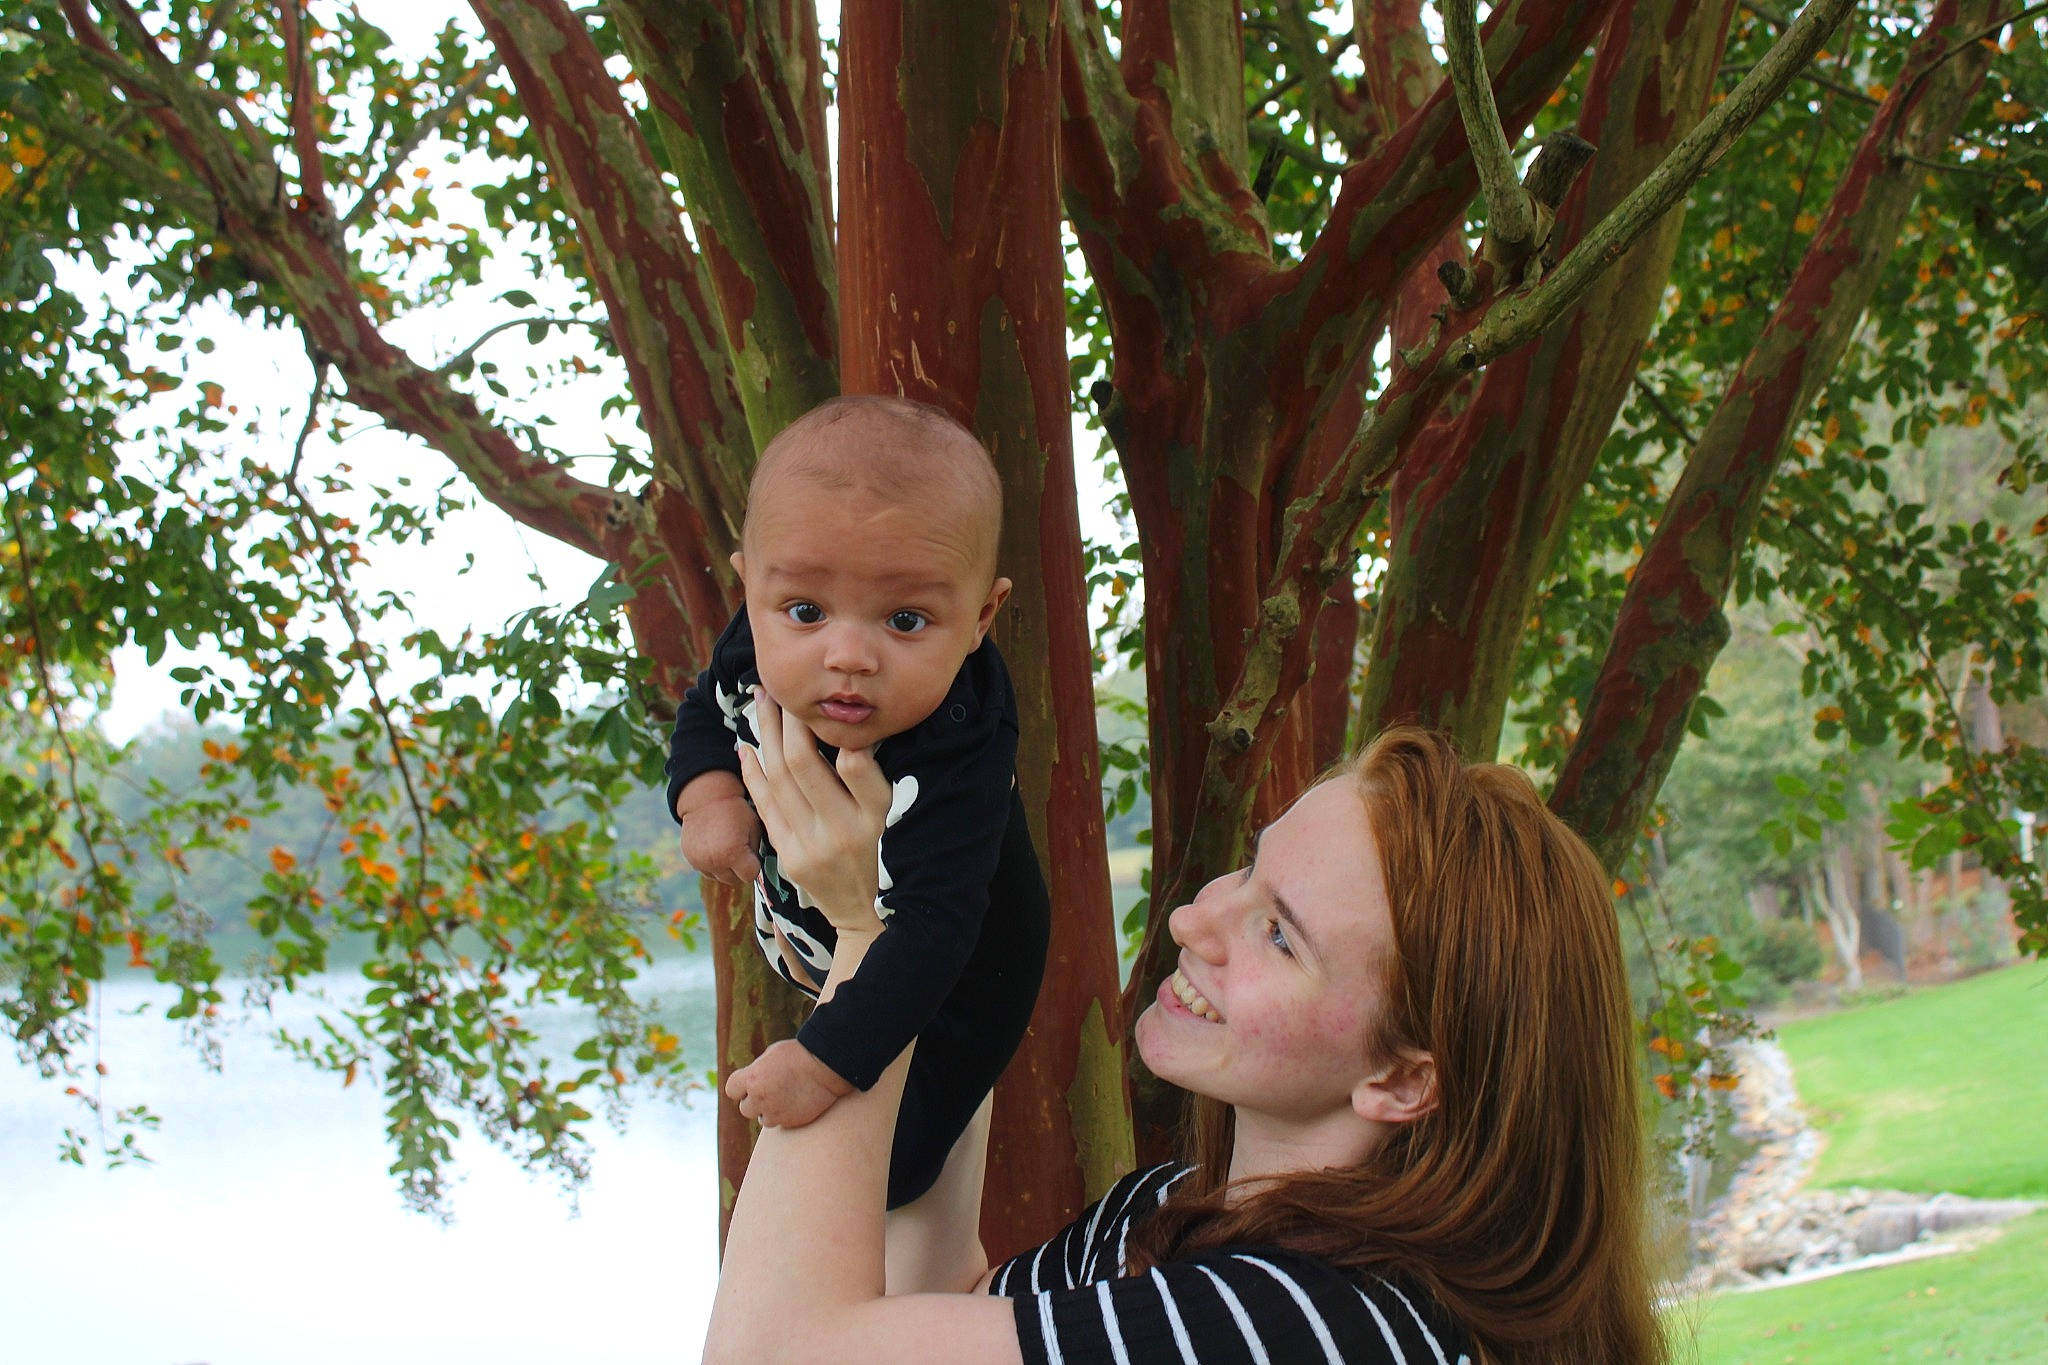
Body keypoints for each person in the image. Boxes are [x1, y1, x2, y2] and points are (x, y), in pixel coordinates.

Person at [704, 709, 1664, 1364]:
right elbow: (941, 1309)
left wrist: (877, 946)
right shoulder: (1171, 1214)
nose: (1193, 921)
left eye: (1278, 934)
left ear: (1404, 1078)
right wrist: (952, 950)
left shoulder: (1300, 1326)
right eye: (1249, 867)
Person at [664, 396, 1050, 1277]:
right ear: (751, 585)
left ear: (982, 618)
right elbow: (705, 712)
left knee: (897, 1163)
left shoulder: (961, 739)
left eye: (904, 620)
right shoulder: (754, 643)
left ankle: (935, 1273)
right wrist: (710, 798)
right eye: (804, 609)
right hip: (829, 930)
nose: (847, 653)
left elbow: (935, 928)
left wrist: (827, 1058)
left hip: (955, 970)